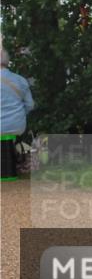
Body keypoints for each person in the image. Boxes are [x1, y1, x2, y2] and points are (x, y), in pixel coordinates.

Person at [0, 45, 35, 180]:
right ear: (7, 62)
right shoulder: (20, 80)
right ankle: (10, 170)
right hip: (17, 125)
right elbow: (30, 105)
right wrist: (17, 115)